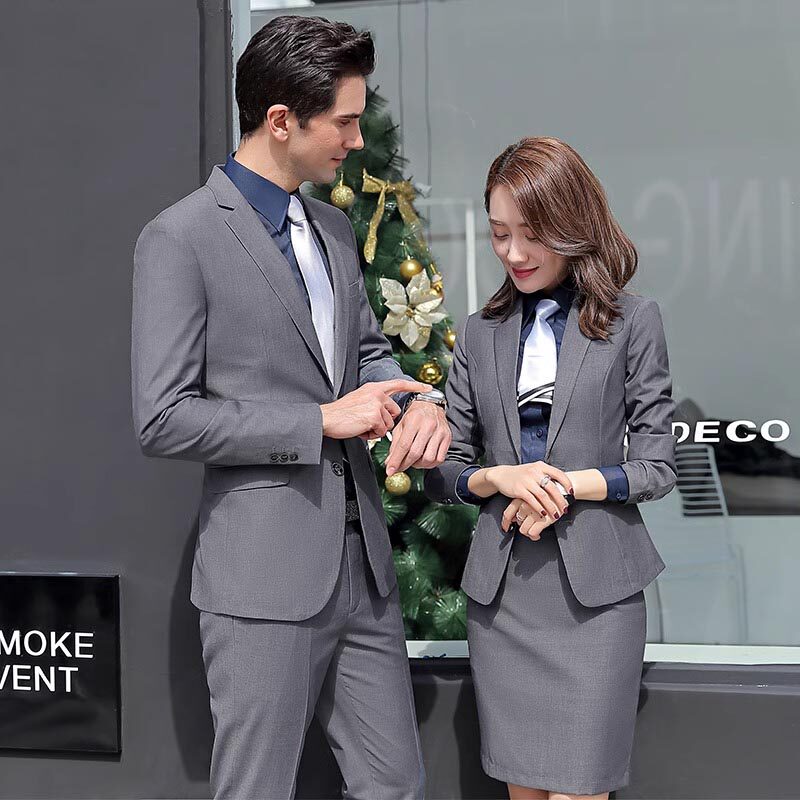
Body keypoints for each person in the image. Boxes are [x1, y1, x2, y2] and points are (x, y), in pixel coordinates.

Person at [131, 15, 451, 799]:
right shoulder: (180, 238)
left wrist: (418, 403)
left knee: (395, 786)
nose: (356, 139)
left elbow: (368, 355)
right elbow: (163, 416)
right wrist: (318, 422)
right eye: (343, 121)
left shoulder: (335, 229)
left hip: (364, 571)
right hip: (262, 580)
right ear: (281, 120)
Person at [424, 137, 677, 800]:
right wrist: (499, 478)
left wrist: (565, 486)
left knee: (578, 790)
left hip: (597, 599)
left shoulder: (634, 322)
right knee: (526, 793)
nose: (513, 253)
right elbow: (444, 471)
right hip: (506, 598)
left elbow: (656, 466)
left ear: (571, 225)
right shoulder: (478, 333)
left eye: (531, 234)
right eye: (499, 233)